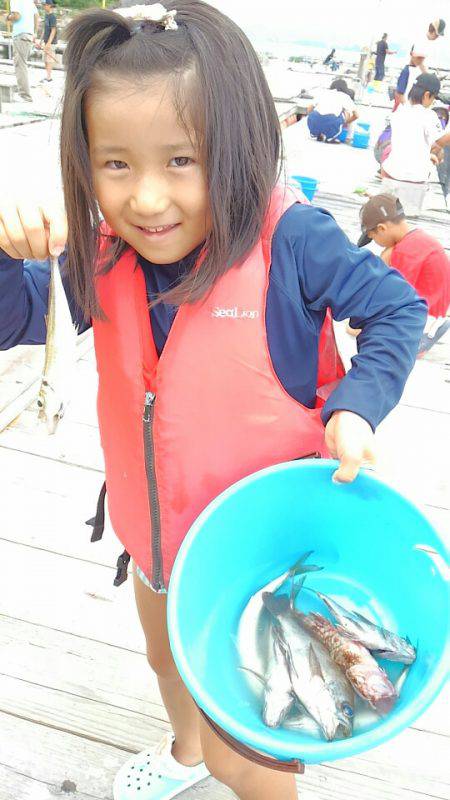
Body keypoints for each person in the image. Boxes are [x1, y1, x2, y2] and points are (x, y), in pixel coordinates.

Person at [0, 3, 426, 799]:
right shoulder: (100, 256)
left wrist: (358, 404)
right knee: (166, 662)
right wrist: (0, 255)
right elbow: (18, 315)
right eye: (115, 164)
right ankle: (184, 754)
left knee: (250, 761)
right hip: (153, 536)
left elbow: (397, 309)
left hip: (267, 550)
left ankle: (226, 765)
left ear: (237, 151)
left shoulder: (292, 242)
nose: (148, 199)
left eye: (182, 160)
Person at [357, 194, 450, 351]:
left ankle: (422, 339)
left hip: (423, 321)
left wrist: (384, 261)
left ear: (381, 229)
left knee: (356, 331)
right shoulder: (418, 238)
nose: (378, 245)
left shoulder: (404, 251)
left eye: (373, 238)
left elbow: (392, 299)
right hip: (436, 309)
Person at [382, 73, 450, 215]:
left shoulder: (399, 111)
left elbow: (411, 143)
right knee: (407, 221)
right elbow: (440, 141)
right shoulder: (428, 115)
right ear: (426, 95)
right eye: (433, 98)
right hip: (413, 179)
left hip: (390, 173)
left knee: (388, 217)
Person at [394, 18, 445, 110]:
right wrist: (428, 76)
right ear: (433, 30)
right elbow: (417, 59)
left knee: (407, 96)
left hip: (415, 72)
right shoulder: (421, 40)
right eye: (437, 35)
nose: (437, 37)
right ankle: (404, 111)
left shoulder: (425, 41)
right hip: (411, 71)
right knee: (404, 95)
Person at [3, 0, 39, 102]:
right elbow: (37, 16)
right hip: (28, 35)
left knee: (20, 65)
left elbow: (17, 16)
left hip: (20, 35)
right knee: (23, 64)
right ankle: (24, 94)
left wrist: (7, 17)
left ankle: (25, 96)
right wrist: (34, 33)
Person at [307, 78, 358, 142]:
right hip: (332, 121)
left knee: (320, 114)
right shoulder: (344, 96)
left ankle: (317, 133)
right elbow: (356, 115)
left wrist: (314, 119)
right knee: (347, 113)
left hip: (313, 123)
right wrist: (344, 122)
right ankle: (343, 137)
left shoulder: (323, 92)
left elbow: (309, 108)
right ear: (345, 89)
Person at [39, 0, 58, 84]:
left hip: (51, 42)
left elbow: (53, 30)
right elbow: (44, 29)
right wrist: (40, 40)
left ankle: (49, 77)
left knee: (49, 59)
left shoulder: (52, 17)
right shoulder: (46, 16)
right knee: (45, 59)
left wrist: (49, 43)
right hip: (45, 41)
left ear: (50, 5)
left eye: (45, 5)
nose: (44, 6)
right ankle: (47, 76)